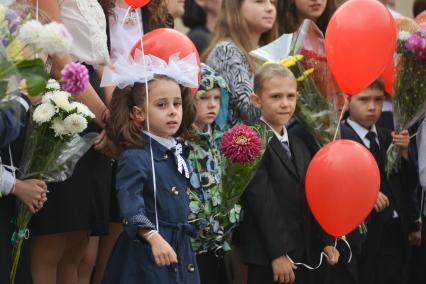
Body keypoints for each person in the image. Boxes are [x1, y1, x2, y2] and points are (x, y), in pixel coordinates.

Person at [101, 49, 200, 282]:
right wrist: (153, 236)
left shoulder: (175, 150)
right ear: (138, 113)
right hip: (147, 250)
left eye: (177, 103)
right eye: (161, 105)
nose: (173, 111)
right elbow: (130, 203)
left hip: (179, 247)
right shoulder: (135, 156)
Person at [241, 63, 339, 284]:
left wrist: (324, 239)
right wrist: (278, 253)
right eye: (276, 97)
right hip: (270, 257)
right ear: (256, 100)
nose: (285, 103)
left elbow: (310, 196)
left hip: (302, 251)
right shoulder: (251, 141)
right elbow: (262, 202)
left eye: (290, 96)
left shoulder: (298, 143)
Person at [339, 79, 417, 284]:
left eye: (378, 100)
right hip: (366, 237)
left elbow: (406, 184)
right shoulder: (338, 138)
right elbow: (335, 187)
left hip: (396, 230)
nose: (372, 107)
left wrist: (404, 153)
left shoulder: (386, 137)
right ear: (348, 100)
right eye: (364, 100)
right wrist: (365, 194)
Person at [187, 63, 231, 284]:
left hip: (217, 241)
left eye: (216, 97)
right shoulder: (181, 142)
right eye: (204, 98)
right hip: (190, 245)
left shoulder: (221, 138)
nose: (212, 104)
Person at [204, 0, 277, 126]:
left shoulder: (264, 53)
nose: (270, 8)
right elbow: (249, 110)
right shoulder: (226, 51)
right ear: (236, 7)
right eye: (259, 1)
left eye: (272, 2)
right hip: (237, 142)